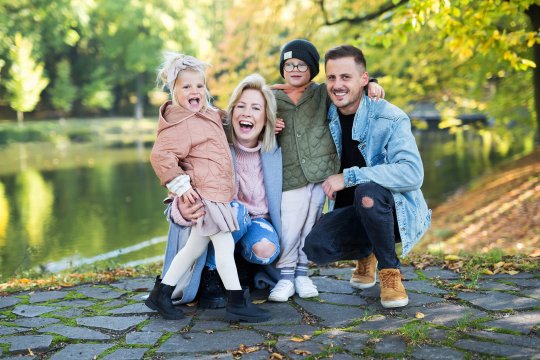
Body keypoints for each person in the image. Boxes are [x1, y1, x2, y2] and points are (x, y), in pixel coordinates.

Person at [303, 45, 431, 308]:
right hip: (354, 210)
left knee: (367, 193)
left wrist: (348, 177)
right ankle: (367, 251)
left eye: (346, 77)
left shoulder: (390, 117)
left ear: (364, 79)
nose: (337, 85)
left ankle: (389, 272)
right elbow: (296, 92)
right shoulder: (328, 113)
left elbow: (413, 173)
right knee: (316, 246)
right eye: (331, 77)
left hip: (394, 211)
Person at [145, 52, 270, 323]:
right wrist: (180, 184)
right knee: (224, 248)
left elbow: (228, 122)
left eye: (200, 86)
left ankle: (161, 293)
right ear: (173, 89)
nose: (195, 91)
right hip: (206, 196)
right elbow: (161, 156)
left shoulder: (208, 114)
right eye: (186, 86)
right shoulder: (179, 123)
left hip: (217, 195)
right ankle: (237, 302)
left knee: (193, 249)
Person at [268, 39, 385, 302]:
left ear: (312, 68)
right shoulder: (271, 97)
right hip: (290, 175)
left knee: (311, 224)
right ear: (282, 68)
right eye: (289, 65)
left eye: (302, 64)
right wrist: (267, 124)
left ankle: (302, 274)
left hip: (321, 175)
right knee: (289, 227)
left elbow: (347, 86)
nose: (295, 69)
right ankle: (285, 277)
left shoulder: (321, 93)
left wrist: (373, 83)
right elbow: (249, 116)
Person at [164, 73, 283, 310]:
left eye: (256, 108)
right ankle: (211, 275)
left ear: (266, 117)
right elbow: (177, 189)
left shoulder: (275, 152)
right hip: (220, 219)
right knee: (236, 211)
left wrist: (370, 84)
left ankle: (242, 268)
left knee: (264, 249)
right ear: (231, 113)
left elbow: (311, 105)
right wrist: (182, 210)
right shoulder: (212, 148)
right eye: (241, 106)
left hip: (256, 221)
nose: (247, 113)